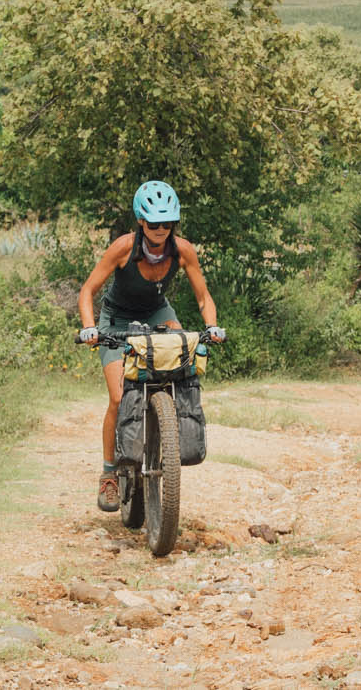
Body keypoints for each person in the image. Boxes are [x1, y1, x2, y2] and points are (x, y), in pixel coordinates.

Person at [76, 180, 223, 512]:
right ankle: (110, 475)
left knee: (182, 354)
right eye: (154, 223)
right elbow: (87, 291)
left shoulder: (182, 250)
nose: (160, 230)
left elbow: (203, 296)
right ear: (141, 221)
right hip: (116, 320)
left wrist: (212, 326)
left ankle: (167, 423)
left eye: (167, 223)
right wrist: (89, 328)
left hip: (158, 313)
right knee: (118, 395)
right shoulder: (123, 248)